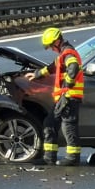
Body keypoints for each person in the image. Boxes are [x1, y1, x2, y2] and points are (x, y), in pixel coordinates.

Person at [24, 27, 84, 166]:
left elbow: (73, 67)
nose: (50, 49)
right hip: (65, 96)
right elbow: (52, 67)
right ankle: (49, 157)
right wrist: (37, 74)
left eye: (51, 46)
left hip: (69, 96)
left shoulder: (68, 53)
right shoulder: (63, 54)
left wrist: (67, 85)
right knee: (50, 123)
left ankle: (73, 158)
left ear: (57, 41)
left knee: (68, 126)